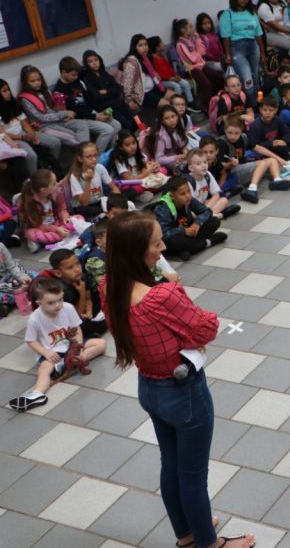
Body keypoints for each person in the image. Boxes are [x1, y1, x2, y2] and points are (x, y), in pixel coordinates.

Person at [103, 211, 255, 548]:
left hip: (149, 387)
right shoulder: (162, 296)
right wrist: (174, 287)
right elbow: (206, 327)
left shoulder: (109, 286)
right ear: (137, 251)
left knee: (170, 463)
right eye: (157, 244)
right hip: (184, 393)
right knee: (193, 475)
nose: (162, 249)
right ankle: (209, 543)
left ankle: (186, 533)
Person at [7, 277, 106, 412]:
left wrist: (78, 348)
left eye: (60, 300)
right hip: (52, 351)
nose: (57, 305)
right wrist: (46, 353)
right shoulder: (34, 319)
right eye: (51, 303)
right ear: (39, 303)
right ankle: (37, 394)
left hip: (71, 346)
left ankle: (72, 361)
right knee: (44, 368)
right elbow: (31, 341)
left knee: (101, 343)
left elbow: (77, 329)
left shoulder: (68, 308)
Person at [20, 65, 115, 153]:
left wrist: (64, 114)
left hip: (59, 120)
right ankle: (86, 155)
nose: (37, 83)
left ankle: (86, 154)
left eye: (38, 80)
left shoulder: (46, 91)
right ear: (25, 82)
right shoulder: (25, 99)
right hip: (45, 126)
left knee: (82, 124)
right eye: (32, 81)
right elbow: (41, 118)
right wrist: (64, 114)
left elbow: (55, 108)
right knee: (73, 137)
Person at [154, 176, 227, 260]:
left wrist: (197, 223)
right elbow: (164, 233)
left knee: (214, 221)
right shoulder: (163, 208)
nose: (188, 195)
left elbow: (207, 211)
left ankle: (186, 249)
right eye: (182, 194)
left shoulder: (188, 199)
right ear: (172, 196)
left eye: (189, 191)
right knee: (173, 242)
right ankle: (209, 242)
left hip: (190, 232)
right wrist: (184, 231)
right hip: (176, 236)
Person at [220, 0, 266, 98]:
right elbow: (226, 37)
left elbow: (258, 34)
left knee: (255, 78)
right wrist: (228, 55)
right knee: (247, 80)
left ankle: (256, 104)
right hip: (237, 49)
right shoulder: (227, 14)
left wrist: (263, 52)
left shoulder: (252, 13)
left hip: (253, 47)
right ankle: (250, 104)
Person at [18, 169, 78, 253]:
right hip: (40, 228)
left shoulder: (56, 194)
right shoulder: (30, 202)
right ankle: (38, 241)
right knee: (33, 234)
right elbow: (37, 224)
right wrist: (56, 229)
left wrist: (65, 217)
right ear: (44, 190)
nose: (57, 184)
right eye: (54, 184)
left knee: (77, 218)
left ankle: (58, 236)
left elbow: (61, 209)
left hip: (55, 223)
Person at [173, 20, 226, 111]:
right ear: (183, 30)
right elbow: (191, 60)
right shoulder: (180, 44)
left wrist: (198, 39)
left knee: (218, 78)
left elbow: (203, 52)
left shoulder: (192, 40)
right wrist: (197, 53)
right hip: (192, 69)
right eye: (190, 26)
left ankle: (219, 99)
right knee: (207, 85)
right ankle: (207, 107)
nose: (192, 28)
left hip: (201, 65)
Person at [68, 141, 120, 219]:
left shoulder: (100, 168)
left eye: (95, 155)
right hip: (83, 207)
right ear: (80, 158)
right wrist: (88, 181)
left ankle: (106, 213)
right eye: (89, 157)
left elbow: (114, 187)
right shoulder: (74, 176)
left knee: (123, 202)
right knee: (88, 210)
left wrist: (119, 201)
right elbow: (84, 203)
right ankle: (105, 214)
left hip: (99, 202)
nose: (94, 159)